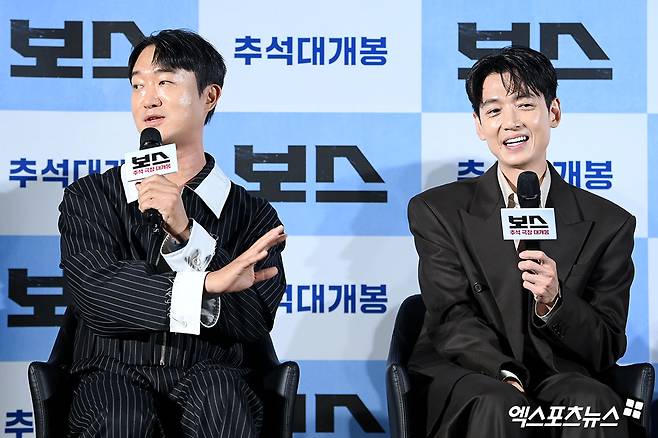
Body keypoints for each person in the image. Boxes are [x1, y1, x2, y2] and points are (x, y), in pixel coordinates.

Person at [58, 29, 287, 437]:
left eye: (165, 82)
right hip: (111, 371)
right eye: (138, 85)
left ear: (209, 96)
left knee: (222, 402)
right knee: (120, 416)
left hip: (213, 373)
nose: (149, 99)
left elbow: (254, 319)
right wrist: (209, 284)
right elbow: (96, 294)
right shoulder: (92, 196)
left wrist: (186, 232)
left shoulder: (252, 214)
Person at [407, 46, 634, 438]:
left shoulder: (609, 224)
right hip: (472, 372)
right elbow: (451, 314)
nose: (510, 123)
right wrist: (504, 373)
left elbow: (606, 345)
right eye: (494, 110)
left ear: (554, 112)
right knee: (501, 403)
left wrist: (555, 303)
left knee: (591, 402)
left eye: (525, 104)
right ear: (479, 124)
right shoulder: (438, 211)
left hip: (560, 374)